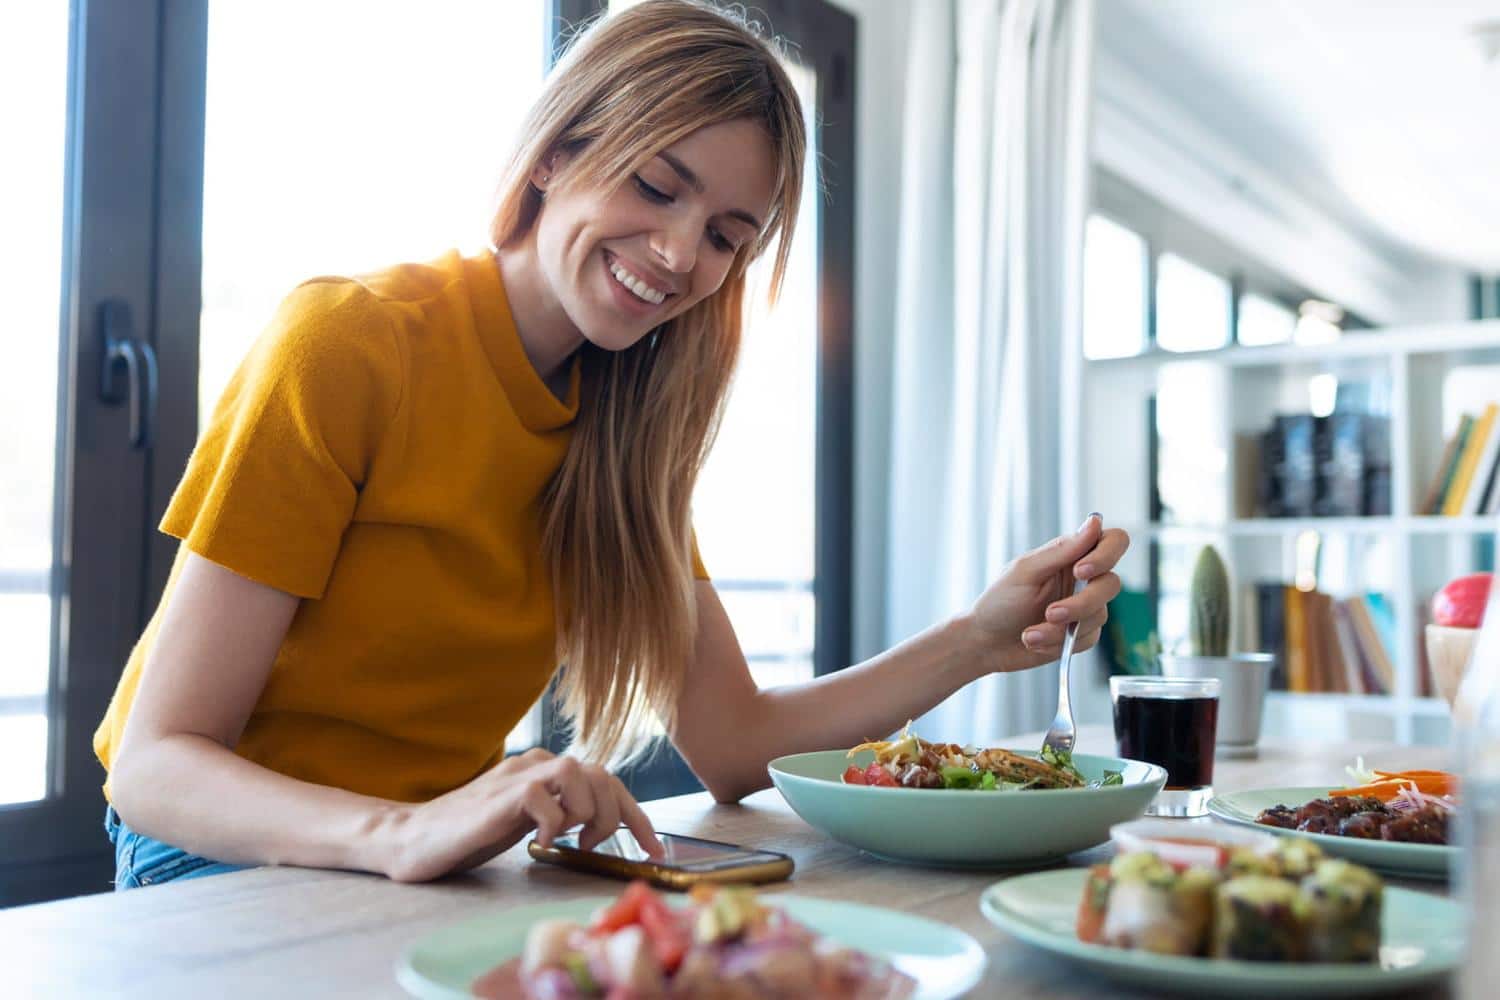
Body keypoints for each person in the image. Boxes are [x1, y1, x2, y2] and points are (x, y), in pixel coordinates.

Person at [95, 0, 1129, 890]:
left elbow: (736, 744)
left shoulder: (625, 433)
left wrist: (980, 641)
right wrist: (403, 830)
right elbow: (156, 766)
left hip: (425, 864)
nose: (680, 256)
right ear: (557, 152)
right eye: (654, 185)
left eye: (728, 234)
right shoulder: (348, 342)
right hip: (219, 860)